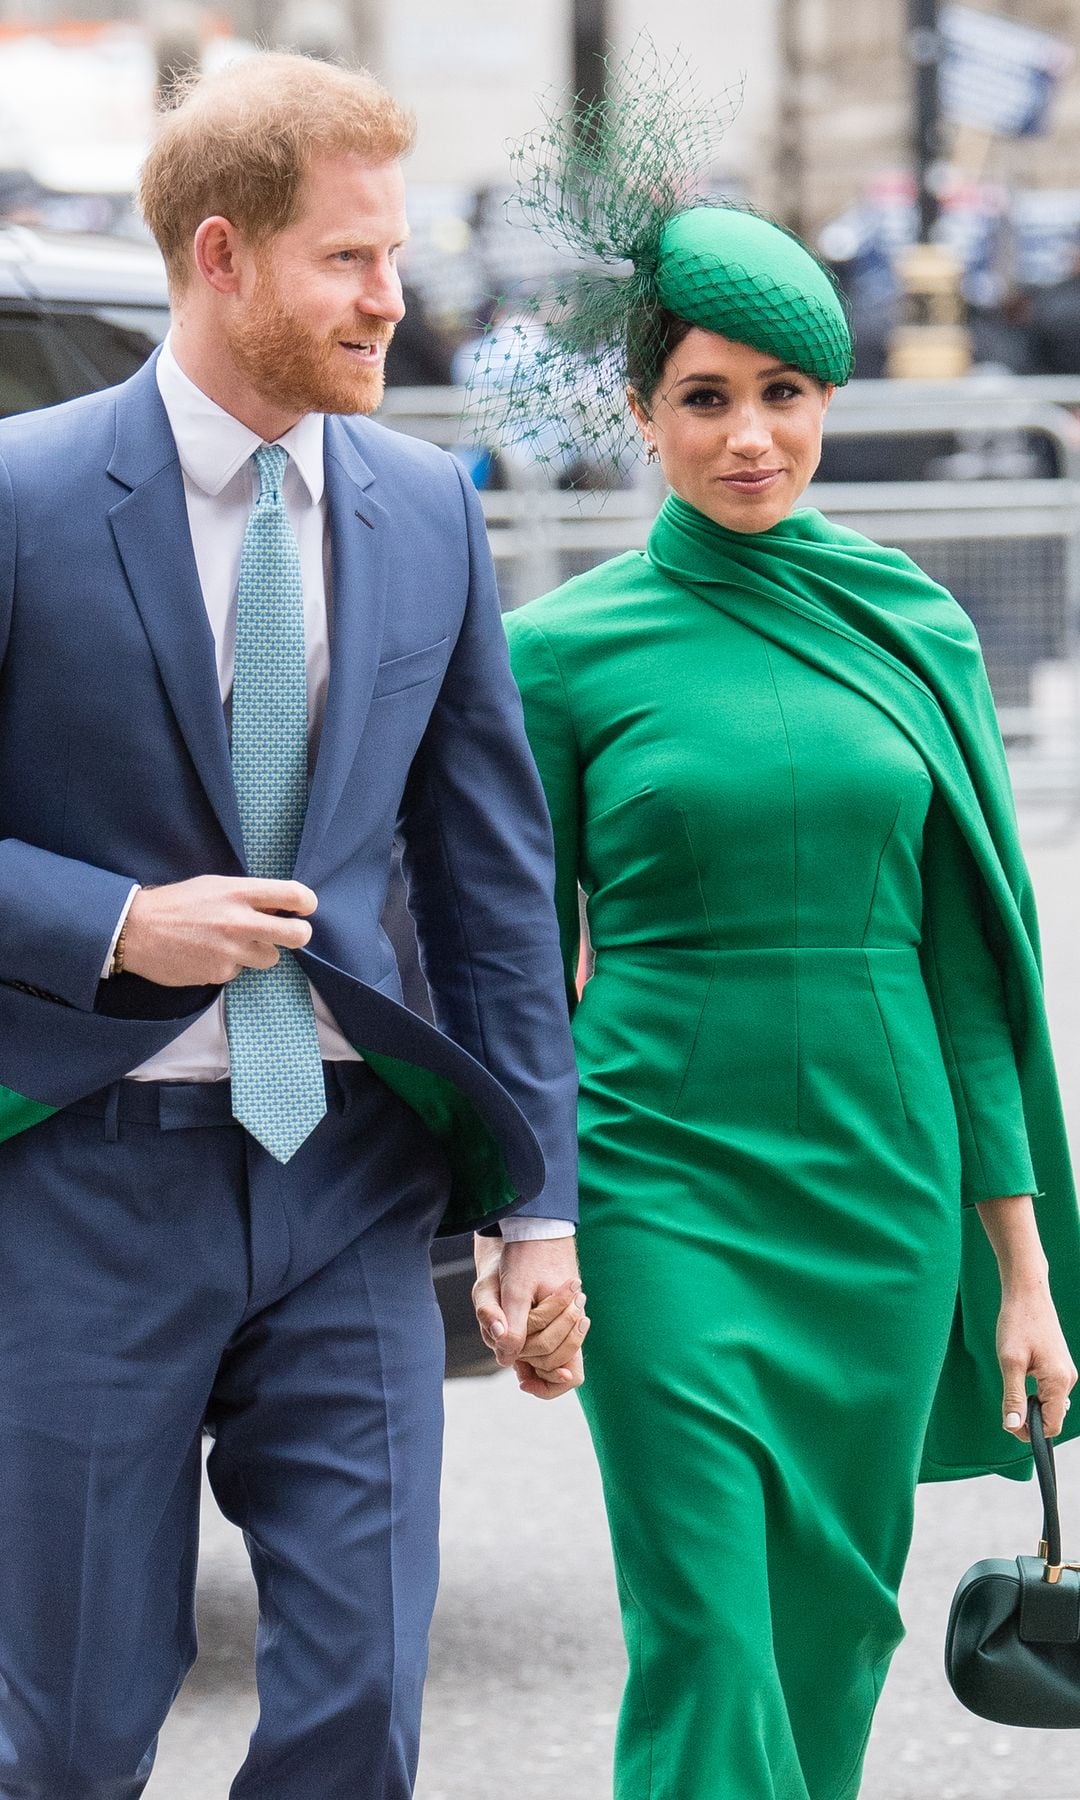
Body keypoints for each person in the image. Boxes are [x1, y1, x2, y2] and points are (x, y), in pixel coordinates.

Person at [0, 51, 585, 1800]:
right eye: (351, 259)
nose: (394, 299)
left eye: (395, 257)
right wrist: (115, 922)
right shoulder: (23, 498)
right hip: (84, 1179)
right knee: (77, 1729)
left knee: (357, 1720)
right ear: (222, 252)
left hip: (350, 1180)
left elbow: (492, 883)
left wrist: (535, 1202)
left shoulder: (424, 512)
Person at [485, 188, 1080, 1795]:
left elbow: (978, 974)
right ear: (641, 413)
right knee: (706, 1630)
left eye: (784, 396)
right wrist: (521, 1227)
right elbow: (520, 974)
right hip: (661, 1184)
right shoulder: (554, 651)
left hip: (883, 1195)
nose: (750, 438)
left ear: (829, 402)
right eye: (706, 398)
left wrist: (1020, 1272)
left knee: (832, 1626)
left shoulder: (918, 627)